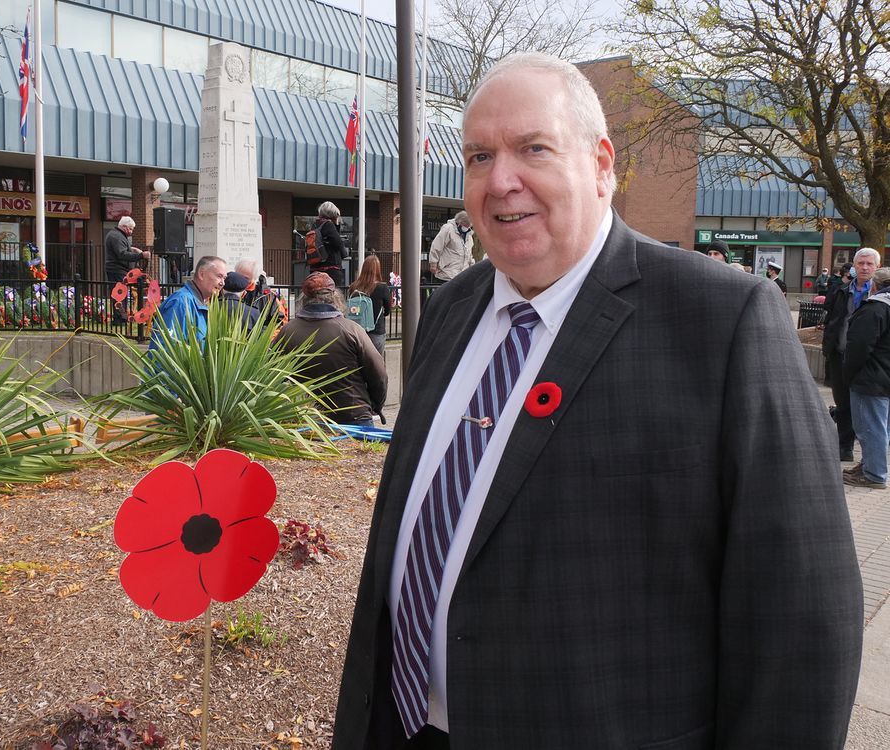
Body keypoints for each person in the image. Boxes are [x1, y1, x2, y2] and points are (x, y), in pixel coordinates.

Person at [333, 53, 862, 750]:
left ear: (602, 164)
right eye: (479, 156)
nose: (501, 181)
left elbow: (802, 617)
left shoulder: (722, 320)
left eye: (533, 148)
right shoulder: (453, 309)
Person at [274, 272, 386, 426]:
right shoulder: (351, 330)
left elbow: (271, 374)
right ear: (335, 297)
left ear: (304, 299)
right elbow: (378, 375)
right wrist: (375, 405)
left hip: (306, 419)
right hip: (354, 415)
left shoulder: (287, 331)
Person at [822, 248, 880, 461]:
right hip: (840, 354)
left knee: (867, 406)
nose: (865, 267)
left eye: (869, 264)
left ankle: (869, 456)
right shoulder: (841, 290)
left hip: (869, 359)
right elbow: (832, 320)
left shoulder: (880, 295)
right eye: (861, 263)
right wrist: (829, 347)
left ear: (877, 267)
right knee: (843, 402)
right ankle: (845, 447)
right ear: (854, 266)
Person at [842, 265, 890, 488]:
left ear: (875, 285)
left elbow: (859, 347)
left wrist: (849, 374)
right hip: (884, 377)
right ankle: (871, 465)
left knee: (869, 428)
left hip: (871, 378)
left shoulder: (875, 309)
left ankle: (874, 473)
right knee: (880, 428)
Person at [148, 256, 227, 354]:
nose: (222, 283)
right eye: (219, 276)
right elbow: (166, 349)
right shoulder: (181, 303)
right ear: (202, 274)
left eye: (224, 278)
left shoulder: (201, 303)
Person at [105, 216, 151, 324]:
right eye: (130, 229)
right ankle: (120, 319)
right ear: (125, 227)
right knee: (120, 295)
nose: (131, 231)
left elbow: (123, 250)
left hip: (118, 269)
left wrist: (132, 249)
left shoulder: (118, 235)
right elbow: (122, 254)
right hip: (117, 269)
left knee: (121, 295)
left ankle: (121, 318)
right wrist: (141, 255)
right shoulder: (117, 237)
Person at [348, 254, 393, 356]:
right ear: (378, 269)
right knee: (376, 366)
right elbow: (387, 311)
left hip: (356, 332)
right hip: (376, 332)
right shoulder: (382, 288)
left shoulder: (353, 287)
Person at [236, 257, 288, 329]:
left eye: (246, 278)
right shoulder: (226, 291)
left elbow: (280, 322)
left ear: (254, 278)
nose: (240, 280)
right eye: (238, 276)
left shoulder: (268, 296)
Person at [428, 211, 476, 284]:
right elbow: (437, 245)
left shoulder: (469, 235)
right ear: (460, 222)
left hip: (462, 275)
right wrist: (433, 263)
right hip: (447, 273)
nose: (467, 228)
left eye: (468, 226)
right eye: (465, 225)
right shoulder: (448, 229)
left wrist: (473, 267)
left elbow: (469, 254)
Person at [312, 201, 349, 287]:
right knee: (333, 296)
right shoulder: (328, 225)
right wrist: (336, 226)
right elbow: (337, 243)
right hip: (331, 269)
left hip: (315, 268)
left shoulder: (315, 225)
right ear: (333, 214)